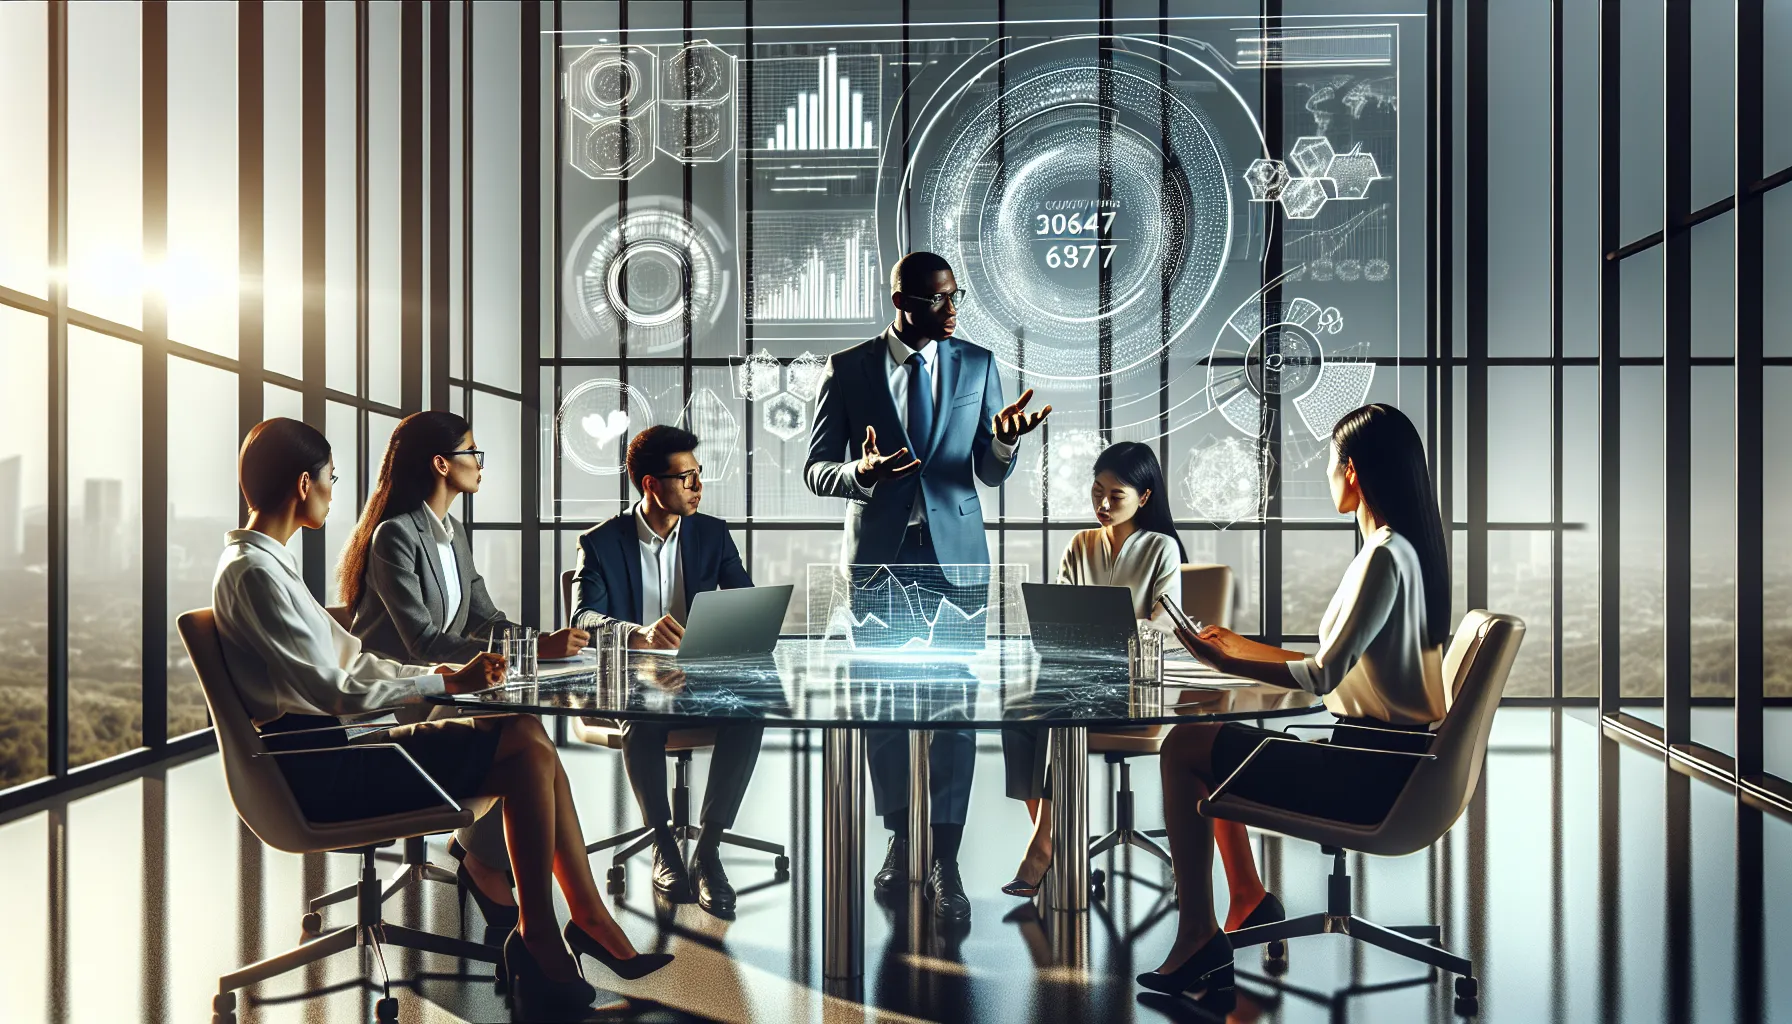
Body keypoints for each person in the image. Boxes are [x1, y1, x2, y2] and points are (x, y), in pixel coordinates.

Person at [211, 418, 670, 1017]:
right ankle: (545, 932)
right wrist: (442, 681)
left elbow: (354, 658)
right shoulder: (255, 574)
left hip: (336, 747)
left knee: (527, 734)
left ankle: (567, 924)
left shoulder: (265, 566)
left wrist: (496, 659)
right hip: (323, 767)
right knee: (526, 743)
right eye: (329, 477)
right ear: (304, 483)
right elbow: (331, 687)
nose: (333, 487)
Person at [1137, 404, 1452, 1000]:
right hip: (1389, 763)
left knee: (1184, 748)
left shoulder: (1382, 557)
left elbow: (1323, 673)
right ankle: (1248, 899)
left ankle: (1199, 935)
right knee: (1208, 747)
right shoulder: (1404, 551)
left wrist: (1227, 663)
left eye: (1331, 463)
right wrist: (1239, 644)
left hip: (1365, 776)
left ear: (1353, 471)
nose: (1328, 474)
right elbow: (1339, 661)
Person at [804, 251, 1051, 922]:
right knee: (884, 705)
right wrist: (860, 470)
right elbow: (816, 470)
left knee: (955, 710)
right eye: (937, 300)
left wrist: (1001, 446)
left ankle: (946, 858)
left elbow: (987, 472)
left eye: (954, 297)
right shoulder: (849, 369)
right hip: (880, 561)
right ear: (902, 303)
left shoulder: (976, 363)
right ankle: (901, 835)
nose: (951, 309)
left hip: (957, 559)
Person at [337, 410, 589, 932]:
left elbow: (488, 619)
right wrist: (536, 650)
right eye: (472, 452)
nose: (479, 463)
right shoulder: (394, 537)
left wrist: (544, 643)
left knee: (520, 721)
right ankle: (484, 860)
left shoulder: (452, 532)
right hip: (392, 701)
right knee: (519, 727)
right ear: (441, 464)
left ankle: (487, 858)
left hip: (441, 689)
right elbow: (424, 642)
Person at [570, 424, 763, 918]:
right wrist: (639, 634)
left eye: (699, 475)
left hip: (699, 676)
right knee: (643, 716)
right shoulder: (600, 542)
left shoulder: (712, 533)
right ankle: (663, 844)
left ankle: (709, 850)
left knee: (750, 715)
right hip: (631, 678)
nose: (699, 487)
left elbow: (744, 598)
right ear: (652, 484)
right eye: (687, 478)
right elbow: (582, 618)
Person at [999, 441, 1185, 897]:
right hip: (1078, 678)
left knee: (1056, 708)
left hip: (1138, 685)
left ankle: (1044, 849)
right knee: (1016, 713)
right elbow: (1060, 610)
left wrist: (1119, 633)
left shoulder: (1161, 548)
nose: (1102, 504)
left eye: (1116, 496)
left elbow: (1166, 624)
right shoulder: (1081, 544)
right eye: (1096, 491)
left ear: (1144, 497)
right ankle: (1055, 838)